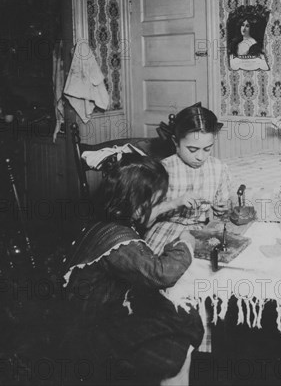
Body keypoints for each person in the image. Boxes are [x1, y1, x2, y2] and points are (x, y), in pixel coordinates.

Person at [62, 154, 204, 386]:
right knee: (179, 334)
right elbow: (162, 273)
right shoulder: (121, 245)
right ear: (138, 205)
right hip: (93, 328)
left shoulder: (110, 220)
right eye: (155, 203)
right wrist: (185, 244)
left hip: (105, 308)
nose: (157, 207)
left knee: (184, 319)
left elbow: (142, 220)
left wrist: (174, 203)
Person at [145, 103, 232, 254]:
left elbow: (222, 214)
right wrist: (174, 203)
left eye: (207, 149)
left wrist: (224, 208)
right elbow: (143, 220)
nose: (200, 157)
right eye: (192, 150)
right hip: (166, 233)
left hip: (202, 233)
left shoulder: (219, 169)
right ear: (175, 142)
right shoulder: (163, 170)